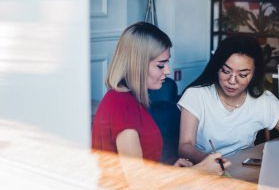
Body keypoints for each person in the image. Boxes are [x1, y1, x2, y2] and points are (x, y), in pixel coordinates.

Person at [91, 22, 230, 175]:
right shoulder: (122, 107)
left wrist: (170, 172)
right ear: (137, 65)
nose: (168, 71)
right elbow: (137, 182)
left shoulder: (127, 100)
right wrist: (200, 170)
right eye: (160, 65)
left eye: (167, 62)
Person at [178, 35, 279, 163]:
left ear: (255, 73)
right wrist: (210, 160)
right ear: (217, 67)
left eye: (243, 74)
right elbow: (185, 146)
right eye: (226, 71)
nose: (232, 81)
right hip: (207, 171)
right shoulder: (196, 95)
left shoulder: (263, 101)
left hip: (245, 170)